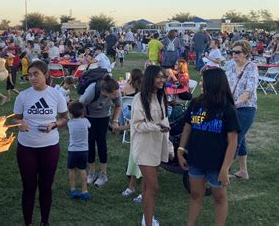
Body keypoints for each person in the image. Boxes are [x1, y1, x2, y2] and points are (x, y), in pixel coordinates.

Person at [177, 68, 240, 226]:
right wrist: (180, 150)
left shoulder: (227, 109)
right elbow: (187, 127)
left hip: (217, 164)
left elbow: (233, 141)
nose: (201, 83)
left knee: (219, 198)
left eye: (203, 80)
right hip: (196, 160)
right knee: (195, 195)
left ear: (213, 83)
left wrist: (225, 169)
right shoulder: (196, 103)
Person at [12, 61, 68, 226]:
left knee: (46, 187)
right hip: (26, 148)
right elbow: (16, 117)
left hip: (49, 147)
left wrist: (54, 124)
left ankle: (45, 222)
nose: (32, 78)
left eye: (36, 74)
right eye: (30, 75)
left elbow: (65, 117)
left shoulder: (56, 95)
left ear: (46, 74)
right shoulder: (23, 96)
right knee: (28, 187)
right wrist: (19, 123)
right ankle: (27, 222)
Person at [131, 65, 173, 226]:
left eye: (163, 77)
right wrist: (157, 127)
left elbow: (164, 120)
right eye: (158, 77)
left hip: (158, 145)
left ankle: (146, 217)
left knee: (148, 186)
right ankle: (148, 222)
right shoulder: (140, 98)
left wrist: (168, 145)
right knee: (153, 187)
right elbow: (137, 125)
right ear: (150, 78)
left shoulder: (161, 96)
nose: (162, 80)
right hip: (144, 147)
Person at [79, 75, 122, 187]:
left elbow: (118, 105)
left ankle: (103, 174)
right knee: (90, 143)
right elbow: (81, 104)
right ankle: (92, 173)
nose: (116, 95)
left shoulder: (116, 91)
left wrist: (115, 121)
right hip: (89, 117)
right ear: (104, 91)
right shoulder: (92, 90)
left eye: (117, 93)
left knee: (102, 143)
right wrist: (83, 119)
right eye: (113, 94)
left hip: (104, 117)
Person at [224, 40, 259, 180]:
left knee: (234, 138)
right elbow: (225, 84)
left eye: (237, 52)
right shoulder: (230, 65)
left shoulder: (252, 68)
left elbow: (249, 91)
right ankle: (243, 172)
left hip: (246, 108)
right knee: (240, 138)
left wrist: (237, 102)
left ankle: (223, 170)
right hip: (231, 107)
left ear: (246, 53)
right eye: (232, 52)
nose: (234, 54)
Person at [67, 101, 91, 200]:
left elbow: (69, 119)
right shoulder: (86, 121)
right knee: (83, 170)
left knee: (72, 170)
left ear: (71, 113)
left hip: (72, 150)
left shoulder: (70, 123)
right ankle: (84, 191)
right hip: (83, 150)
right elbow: (89, 126)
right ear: (82, 112)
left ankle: (73, 190)